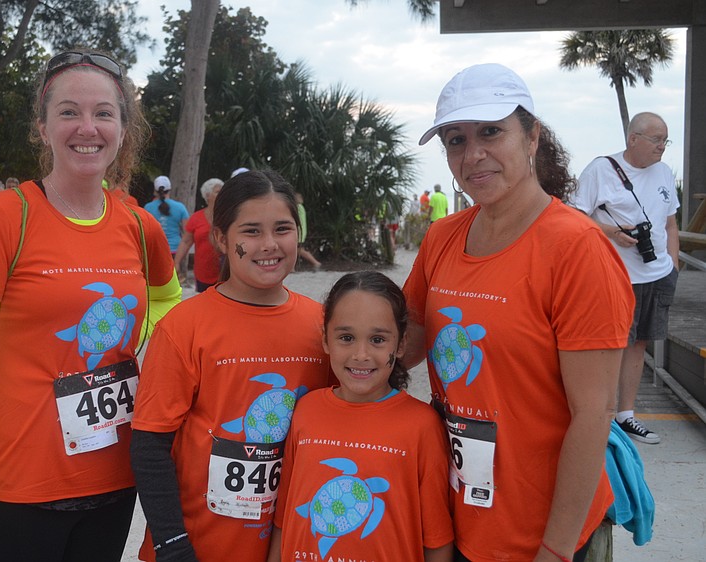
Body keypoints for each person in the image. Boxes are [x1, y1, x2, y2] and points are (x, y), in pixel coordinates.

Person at [0, 49, 181, 562]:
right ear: (43, 129)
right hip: (20, 484)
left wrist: (145, 353)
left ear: (121, 129)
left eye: (103, 113)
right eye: (68, 112)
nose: (86, 127)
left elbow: (168, 298)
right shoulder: (3, 217)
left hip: (115, 475)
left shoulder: (139, 225)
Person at [404, 63, 634, 562]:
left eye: (491, 131)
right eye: (455, 139)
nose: (473, 154)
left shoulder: (577, 250)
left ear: (532, 137)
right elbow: (403, 345)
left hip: (546, 535)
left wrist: (554, 550)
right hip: (462, 517)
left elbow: (592, 416)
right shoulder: (443, 238)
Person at [131, 169, 333, 562]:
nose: (270, 245)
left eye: (283, 229)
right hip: (201, 546)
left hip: (291, 543)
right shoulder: (185, 326)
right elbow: (150, 445)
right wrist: (172, 545)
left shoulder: (322, 326)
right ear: (221, 238)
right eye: (252, 231)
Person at [268, 271, 453, 562]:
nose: (361, 354)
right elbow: (284, 518)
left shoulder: (422, 425)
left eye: (378, 339)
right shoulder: (305, 410)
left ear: (400, 344)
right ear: (325, 340)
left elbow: (437, 539)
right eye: (346, 338)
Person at [570, 112, 680, 445]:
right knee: (611, 346)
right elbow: (574, 216)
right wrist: (613, 233)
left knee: (640, 343)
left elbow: (671, 224)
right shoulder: (601, 170)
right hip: (617, 277)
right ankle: (599, 417)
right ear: (633, 139)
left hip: (658, 275)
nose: (662, 147)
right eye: (656, 139)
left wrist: (673, 266)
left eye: (665, 140)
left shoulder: (662, 172)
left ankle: (626, 415)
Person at [172, 177, 223, 292]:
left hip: (225, 272)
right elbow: (186, 241)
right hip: (203, 272)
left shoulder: (228, 216)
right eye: (218, 192)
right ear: (207, 195)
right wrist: (177, 262)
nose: (222, 195)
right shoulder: (196, 218)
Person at [144, 175, 190, 259]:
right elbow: (187, 232)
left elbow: (145, 231)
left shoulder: (148, 207)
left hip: (155, 249)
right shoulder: (180, 207)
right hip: (175, 250)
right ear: (170, 189)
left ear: (155, 190)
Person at [294, 192, 321, 270]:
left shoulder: (298, 207)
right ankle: (292, 268)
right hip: (300, 231)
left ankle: (315, 262)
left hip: (299, 232)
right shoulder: (300, 207)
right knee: (296, 250)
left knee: (299, 250)